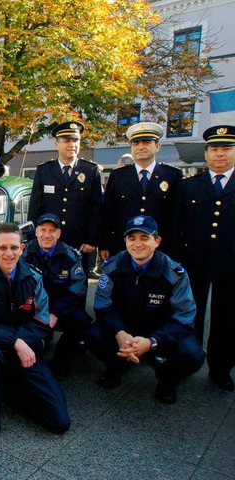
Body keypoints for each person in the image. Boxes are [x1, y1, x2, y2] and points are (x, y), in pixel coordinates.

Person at [0, 223, 71, 437]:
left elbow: (41, 322)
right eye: (2, 248)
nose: (9, 253)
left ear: (22, 248)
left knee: (60, 422)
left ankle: (6, 389)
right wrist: (15, 342)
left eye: (13, 247)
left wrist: (15, 343)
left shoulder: (33, 278)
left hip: (24, 354)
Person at [86, 215, 205, 404]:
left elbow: (184, 316)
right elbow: (103, 305)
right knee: (93, 335)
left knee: (192, 355)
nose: (137, 244)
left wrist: (152, 341)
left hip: (159, 331)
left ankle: (166, 380)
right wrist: (119, 333)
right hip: (125, 328)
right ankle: (116, 367)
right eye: (132, 238)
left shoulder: (175, 274)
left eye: (144, 238)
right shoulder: (111, 267)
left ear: (157, 241)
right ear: (125, 241)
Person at [171, 125, 235, 391]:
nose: (220, 155)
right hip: (192, 263)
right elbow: (176, 227)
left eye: (226, 149)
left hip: (231, 266)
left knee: (227, 319)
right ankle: (188, 360)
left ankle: (220, 368)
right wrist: (175, 263)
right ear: (206, 154)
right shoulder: (188, 187)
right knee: (190, 315)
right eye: (214, 149)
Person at [22, 213, 93, 378]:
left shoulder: (71, 256)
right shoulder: (23, 253)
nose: (47, 235)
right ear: (36, 232)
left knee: (81, 321)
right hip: (33, 307)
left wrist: (55, 313)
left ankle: (61, 357)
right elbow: (18, 285)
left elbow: (77, 290)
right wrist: (38, 312)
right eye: (43, 230)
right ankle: (34, 346)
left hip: (60, 309)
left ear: (59, 234)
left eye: (52, 231)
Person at [28, 121, 102, 273]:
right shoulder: (44, 170)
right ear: (57, 144)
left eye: (75, 141)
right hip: (49, 244)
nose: (72, 145)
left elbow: (96, 209)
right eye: (67, 141)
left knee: (77, 289)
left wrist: (91, 240)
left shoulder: (90, 170)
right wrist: (36, 240)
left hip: (79, 244)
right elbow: (35, 208)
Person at [100, 122, 182, 259]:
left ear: (157, 146)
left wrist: (175, 251)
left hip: (160, 249)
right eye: (136, 143)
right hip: (123, 247)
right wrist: (104, 244)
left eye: (146, 142)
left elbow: (177, 216)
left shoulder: (172, 175)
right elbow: (108, 213)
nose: (140, 147)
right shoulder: (118, 175)